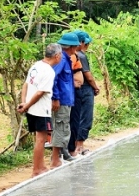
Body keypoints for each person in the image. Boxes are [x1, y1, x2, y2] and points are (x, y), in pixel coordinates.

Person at [18, 43, 62, 177]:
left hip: (31, 108)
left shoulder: (36, 65)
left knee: (39, 138)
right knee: (41, 139)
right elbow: (40, 93)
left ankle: (40, 166)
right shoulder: (49, 71)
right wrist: (26, 105)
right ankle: (37, 169)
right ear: (57, 56)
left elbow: (26, 84)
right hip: (41, 109)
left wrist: (24, 102)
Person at [50, 32, 80, 168]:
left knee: (64, 127)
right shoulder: (61, 60)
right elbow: (53, 78)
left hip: (66, 100)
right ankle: (55, 159)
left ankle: (63, 154)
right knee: (60, 127)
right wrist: (55, 98)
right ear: (72, 47)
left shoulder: (67, 59)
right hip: (60, 100)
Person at [69, 31, 100, 156]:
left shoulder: (71, 55)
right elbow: (88, 75)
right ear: (80, 43)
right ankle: (79, 146)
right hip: (85, 89)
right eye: (86, 43)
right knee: (86, 116)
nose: (87, 46)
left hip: (74, 90)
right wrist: (95, 87)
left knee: (76, 117)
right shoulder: (80, 55)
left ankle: (74, 145)